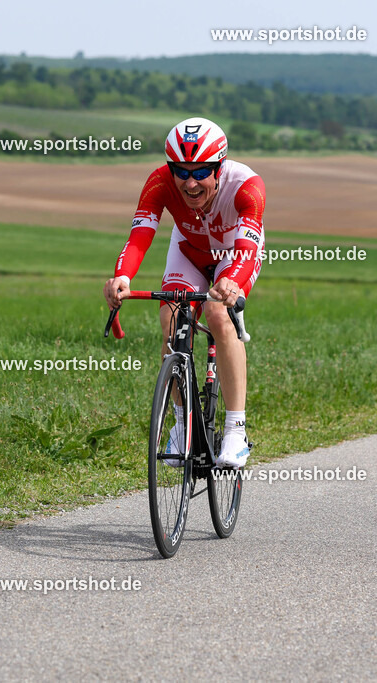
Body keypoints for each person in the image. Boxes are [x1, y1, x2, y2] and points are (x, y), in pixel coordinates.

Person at [103, 117, 265, 468]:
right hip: (188, 251)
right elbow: (139, 235)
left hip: (233, 255)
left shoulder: (246, 187)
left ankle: (236, 429)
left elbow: (247, 250)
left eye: (200, 171)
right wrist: (122, 276)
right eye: (181, 171)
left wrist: (232, 279)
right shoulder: (159, 183)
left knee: (220, 314)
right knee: (172, 318)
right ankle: (182, 423)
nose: (190, 183)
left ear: (219, 166)